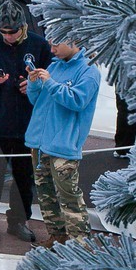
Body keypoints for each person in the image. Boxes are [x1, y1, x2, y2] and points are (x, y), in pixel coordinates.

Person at [0, 0, 52, 244]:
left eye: (12, 31)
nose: (8, 36)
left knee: (25, 177)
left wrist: (35, 84)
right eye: (3, 31)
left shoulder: (39, 44)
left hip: (28, 124)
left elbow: (51, 75)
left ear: (23, 26)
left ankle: (18, 221)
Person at [25, 28, 101, 244]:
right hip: (39, 144)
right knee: (46, 194)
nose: (52, 49)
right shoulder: (54, 65)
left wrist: (49, 83)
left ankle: (80, 243)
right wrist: (34, 83)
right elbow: (37, 101)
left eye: (56, 45)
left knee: (69, 197)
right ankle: (56, 237)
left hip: (64, 146)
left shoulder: (88, 71)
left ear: (72, 40)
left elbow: (77, 101)